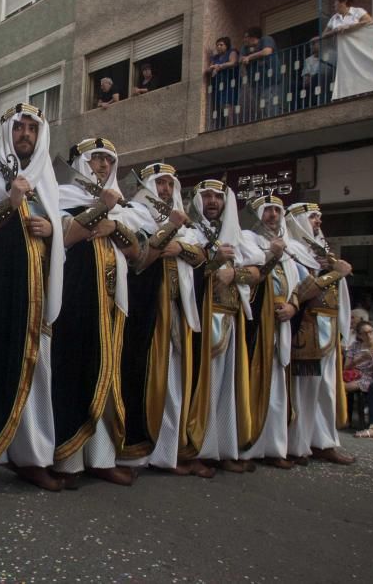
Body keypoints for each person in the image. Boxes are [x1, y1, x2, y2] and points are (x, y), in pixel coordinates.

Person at [0, 102, 65, 494]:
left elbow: (59, 235)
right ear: (7, 132)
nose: (25, 135)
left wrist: (51, 230)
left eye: (32, 129)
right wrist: (11, 203)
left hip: (37, 296)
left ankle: (33, 459)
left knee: (38, 376)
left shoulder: (47, 180)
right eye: (19, 127)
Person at [50, 138, 141, 488]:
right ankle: (68, 460)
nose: (102, 166)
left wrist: (115, 224)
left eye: (107, 160)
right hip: (75, 300)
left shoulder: (121, 207)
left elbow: (136, 253)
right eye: (96, 159)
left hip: (111, 306)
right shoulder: (62, 195)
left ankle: (101, 459)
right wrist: (100, 208)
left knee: (108, 378)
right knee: (73, 373)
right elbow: (67, 237)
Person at [118, 163, 209, 477]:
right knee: (146, 378)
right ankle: (139, 450)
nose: (166, 190)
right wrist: (168, 231)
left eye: (170, 184)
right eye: (160, 184)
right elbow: (139, 256)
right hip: (146, 313)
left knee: (175, 384)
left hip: (179, 313)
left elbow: (200, 255)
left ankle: (171, 451)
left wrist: (179, 244)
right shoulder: (134, 214)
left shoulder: (186, 225)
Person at [186, 180, 259, 474]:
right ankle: (197, 448)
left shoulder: (237, 236)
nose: (213, 201)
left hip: (232, 317)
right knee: (204, 386)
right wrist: (212, 265)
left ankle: (225, 448)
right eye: (206, 196)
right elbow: (185, 272)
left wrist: (234, 275)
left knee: (228, 389)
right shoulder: (190, 232)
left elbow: (256, 273)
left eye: (218, 196)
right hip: (202, 318)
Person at [285, 202, 355, 465]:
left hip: (329, 330)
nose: (317, 222)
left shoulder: (324, 254)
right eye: (312, 217)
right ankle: (297, 444)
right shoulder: (291, 251)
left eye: (318, 217)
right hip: (307, 329)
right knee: (304, 390)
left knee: (326, 391)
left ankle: (323, 442)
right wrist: (332, 274)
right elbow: (300, 292)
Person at [238, 195, 303, 469]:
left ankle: (275, 447)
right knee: (254, 379)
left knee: (278, 386)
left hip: (282, 323)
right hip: (257, 321)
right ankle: (248, 445)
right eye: (268, 211)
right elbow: (249, 272)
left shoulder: (288, 248)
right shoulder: (248, 239)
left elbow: (299, 284)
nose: (273, 216)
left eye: (277, 211)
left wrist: (293, 305)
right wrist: (271, 254)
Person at [239, 27, 279, 119]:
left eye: (246, 37)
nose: (244, 40)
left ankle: (271, 121)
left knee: (269, 101)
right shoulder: (245, 48)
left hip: (270, 79)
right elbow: (240, 59)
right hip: (255, 82)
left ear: (254, 37)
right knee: (260, 104)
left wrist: (249, 57)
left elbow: (267, 51)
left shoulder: (266, 39)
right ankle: (264, 120)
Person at [207, 37, 239, 128]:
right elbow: (209, 68)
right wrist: (212, 68)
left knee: (227, 104)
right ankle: (224, 125)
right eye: (217, 45)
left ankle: (230, 125)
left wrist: (220, 66)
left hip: (229, 82)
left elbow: (233, 62)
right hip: (218, 84)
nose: (219, 47)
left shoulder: (232, 52)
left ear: (227, 45)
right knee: (221, 106)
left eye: (221, 45)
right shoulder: (215, 57)